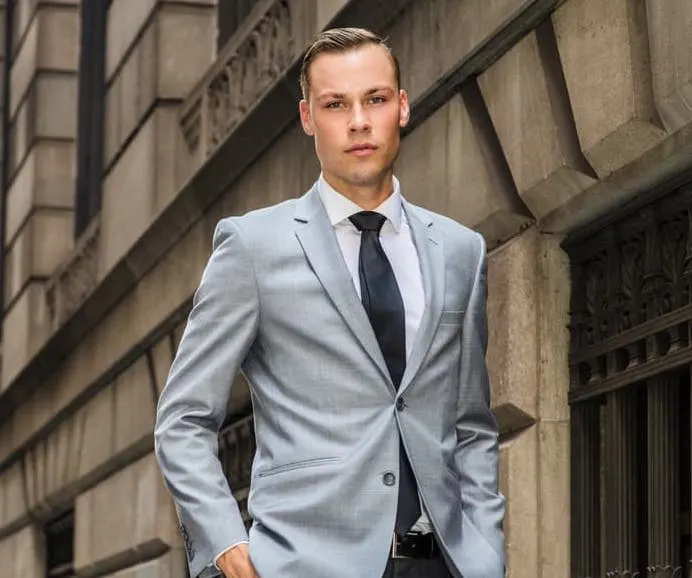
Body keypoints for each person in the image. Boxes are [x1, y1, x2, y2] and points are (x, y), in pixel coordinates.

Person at [154, 27, 505, 578]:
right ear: (307, 118)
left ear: (402, 108)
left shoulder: (461, 250)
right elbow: (182, 419)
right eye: (336, 104)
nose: (359, 121)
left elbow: (471, 424)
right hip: (304, 564)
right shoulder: (252, 247)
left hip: (441, 564)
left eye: (376, 99)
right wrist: (224, 541)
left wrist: (486, 551)